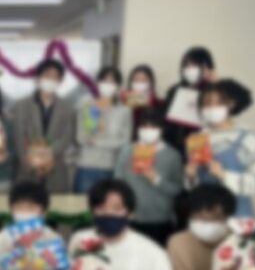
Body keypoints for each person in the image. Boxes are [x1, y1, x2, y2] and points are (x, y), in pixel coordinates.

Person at [185, 79, 255, 217]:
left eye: (218, 103)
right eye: (206, 103)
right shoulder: (197, 139)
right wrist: (191, 177)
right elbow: (196, 186)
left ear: (231, 104)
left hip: (237, 216)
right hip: (205, 216)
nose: (211, 108)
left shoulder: (246, 138)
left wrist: (224, 176)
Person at [114, 109, 183, 245]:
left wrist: (157, 179)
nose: (148, 131)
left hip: (160, 219)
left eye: (153, 127)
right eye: (144, 127)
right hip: (131, 217)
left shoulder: (173, 155)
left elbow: (177, 190)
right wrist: (123, 208)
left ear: (162, 130)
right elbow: (118, 184)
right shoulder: (127, 150)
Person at [12, 59, 76, 192]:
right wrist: (31, 164)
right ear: (38, 78)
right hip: (27, 169)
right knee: (27, 201)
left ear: (60, 81)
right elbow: (18, 138)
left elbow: (67, 137)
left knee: (56, 204)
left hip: (56, 167)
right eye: (47, 75)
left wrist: (47, 154)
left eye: (55, 77)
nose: (51, 80)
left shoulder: (67, 108)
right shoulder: (21, 106)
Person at [74, 66, 132, 193]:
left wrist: (98, 142)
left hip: (111, 167)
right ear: (98, 83)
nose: (108, 84)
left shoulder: (124, 110)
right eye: (104, 80)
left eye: (112, 81)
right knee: (83, 204)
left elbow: (125, 141)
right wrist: (97, 113)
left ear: (118, 86)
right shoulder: (87, 104)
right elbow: (81, 138)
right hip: (86, 165)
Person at [164, 46, 216, 155]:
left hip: (201, 147)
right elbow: (165, 117)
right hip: (173, 145)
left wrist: (215, 85)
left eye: (195, 65)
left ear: (207, 67)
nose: (190, 69)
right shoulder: (174, 90)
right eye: (187, 65)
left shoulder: (212, 90)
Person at [125, 65, 164, 139]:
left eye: (144, 80)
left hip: (149, 143)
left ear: (151, 82)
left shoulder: (159, 104)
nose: (140, 83)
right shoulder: (124, 102)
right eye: (136, 80)